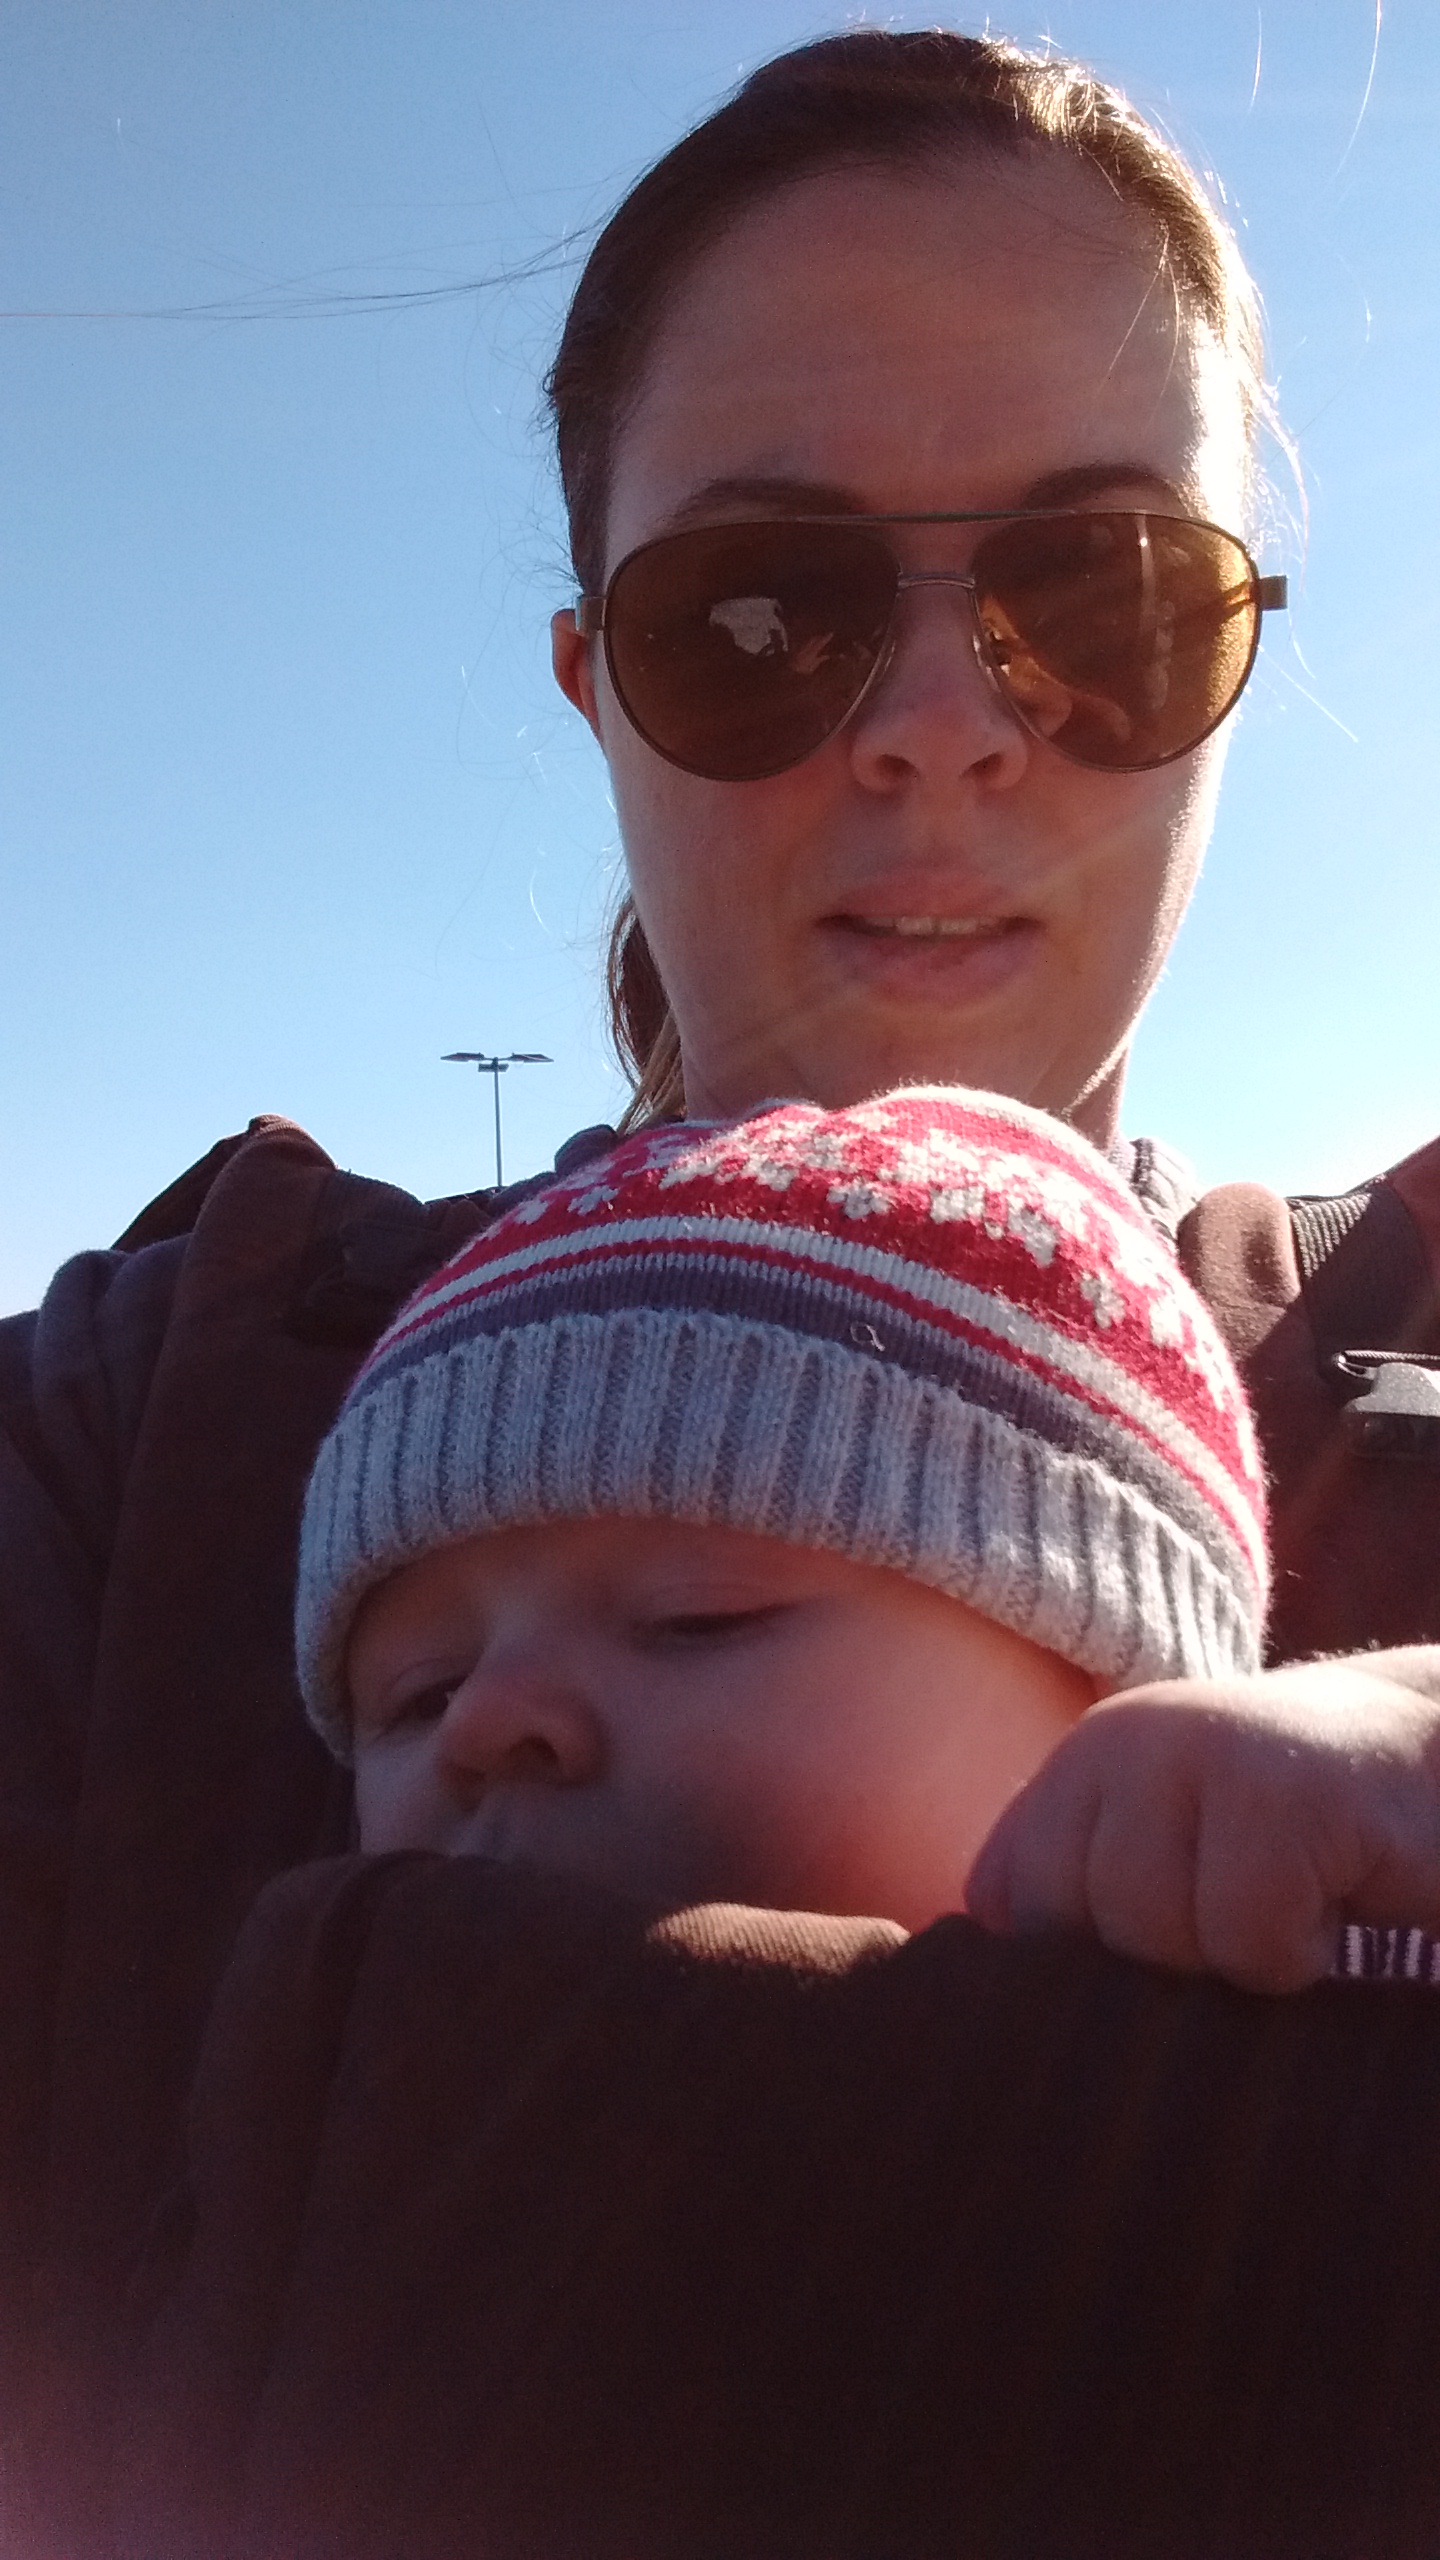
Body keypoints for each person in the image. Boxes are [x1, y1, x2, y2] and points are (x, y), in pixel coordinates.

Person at [5, 25, 1440, 2560]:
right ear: (598, 686)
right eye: (764, 612)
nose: (939, 729)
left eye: (1100, 594)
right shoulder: (169, 1408)